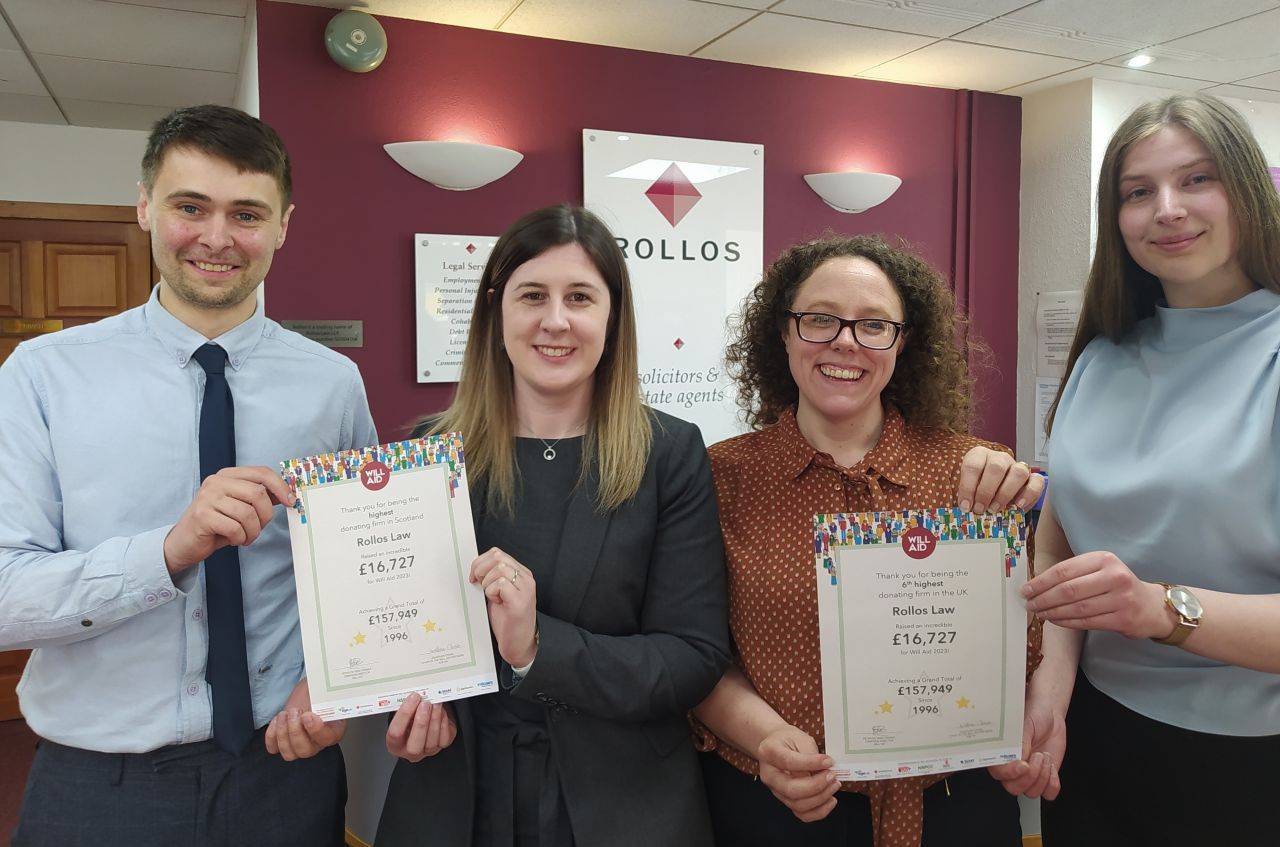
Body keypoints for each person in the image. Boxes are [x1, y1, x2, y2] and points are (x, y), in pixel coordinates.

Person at [0, 105, 377, 846]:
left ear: (282, 225)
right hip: (99, 784)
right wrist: (168, 549)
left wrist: (338, 682)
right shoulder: (43, 376)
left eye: (245, 213)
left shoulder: (333, 384)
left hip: (284, 770)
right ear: (144, 206)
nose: (216, 237)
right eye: (189, 207)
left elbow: (361, 570)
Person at [375, 204, 730, 847]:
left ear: (612, 315)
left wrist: (536, 647)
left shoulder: (668, 453)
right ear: (495, 310)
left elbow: (692, 658)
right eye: (532, 295)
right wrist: (409, 708)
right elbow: (399, 639)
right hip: (457, 795)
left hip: (621, 807)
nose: (556, 321)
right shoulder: (427, 455)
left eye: (581, 298)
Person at [690, 234, 1045, 847]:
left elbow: (1026, 645)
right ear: (783, 332)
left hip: (956, 806)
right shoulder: (720, 479)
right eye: (820, 319)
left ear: (903, 343)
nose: (845, 342)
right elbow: (693, 653)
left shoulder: (975, 473)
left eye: (874, 325)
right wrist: (767, 739)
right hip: (779, 803)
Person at [1004, 93, 1280, 845]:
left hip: (1247, 763)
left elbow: (1130, 598)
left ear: (1250, 191)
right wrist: (1052, 689)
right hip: (1096, 741)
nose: (1167, 209)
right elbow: (1060, 543)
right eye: (1137, 191)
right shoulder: (1102, 353)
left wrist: (1160, 609)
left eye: (1197, 179)